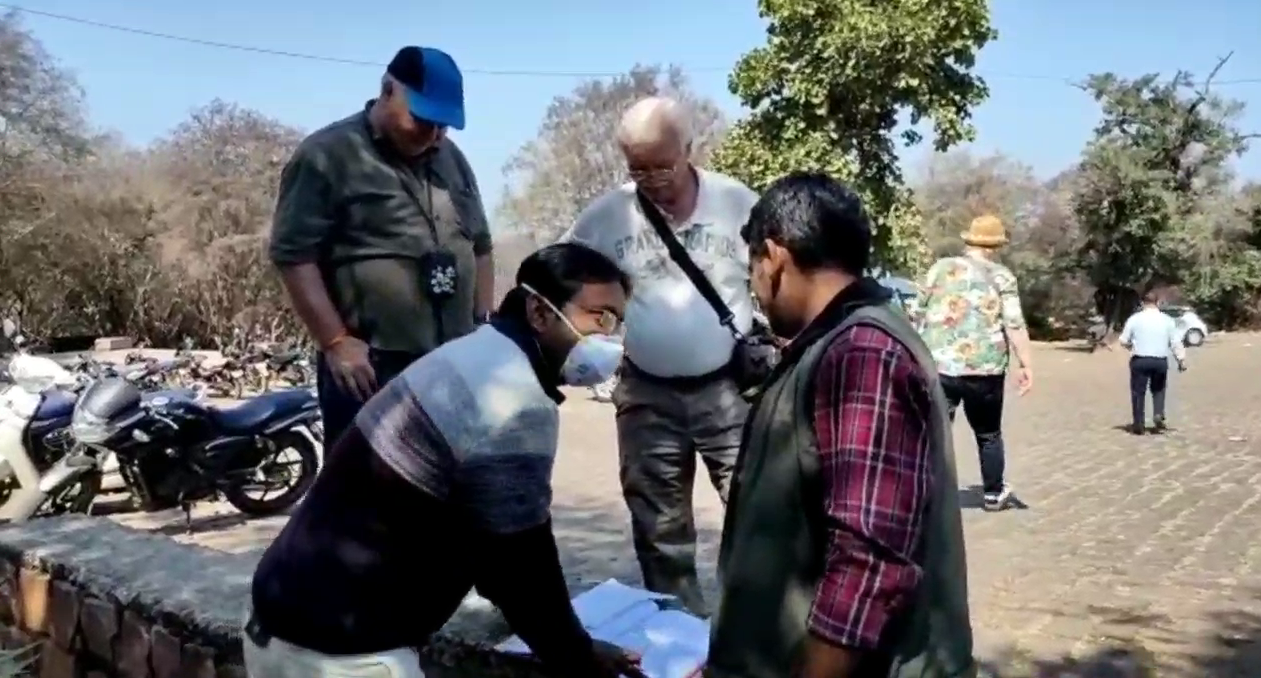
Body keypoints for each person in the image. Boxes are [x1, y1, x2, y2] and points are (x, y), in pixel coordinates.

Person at [245, 243, 645, 678]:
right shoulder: (513, 399)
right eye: (599, 317)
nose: (610, 339)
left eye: (617, 323)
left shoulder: (473, 353)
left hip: (277, 618)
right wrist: (581, 658)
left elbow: (491, 547)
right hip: (343, 654)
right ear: (541, 312)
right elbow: (521, 566)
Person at [706, 173, 975, 678]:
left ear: (774, 256)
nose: (757, 293)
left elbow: (869, 567)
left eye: (753, 272)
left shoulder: (862, 354)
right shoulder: (830, 345)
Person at [561, 96, 759, 616]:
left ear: (689, 150)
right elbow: (558, 274)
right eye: (637, 167)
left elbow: (778, 274)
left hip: (729, 390)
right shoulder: (607, 216)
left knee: (756, 511)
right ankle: (681, 638)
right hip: (646, 391)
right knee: (658, 526)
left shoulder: (737, 204)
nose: (651, 178)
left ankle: (750, 628)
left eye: (662, 165)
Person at [269, 46, 495, 444]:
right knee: (369, 496)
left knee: (452, 490)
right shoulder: (325, 155)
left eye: (445, 126)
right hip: (372, 368)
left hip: (453, 363)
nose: (435, 136)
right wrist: (336, 342)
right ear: (389, 90)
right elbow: (294, 255)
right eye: (424, 121)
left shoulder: (451, 157)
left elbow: (480, 244)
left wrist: (482, 328)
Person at [912, 215, 1033, 512]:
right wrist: (1026, 363)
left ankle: (924, 492)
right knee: (988, 432)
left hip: (940, 365)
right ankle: (993, 493)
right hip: (986, 369)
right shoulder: (1002, 276)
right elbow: (1014, 323)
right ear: (994, 246)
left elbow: (916, 312)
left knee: (936, 429)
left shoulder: (940, 269)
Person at [1119, 288, 1187, 434]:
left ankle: (1139, 423)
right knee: (1159, 389)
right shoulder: (1167, 320)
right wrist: (1181, 360)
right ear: (1157, 302)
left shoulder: (1135, 319)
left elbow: (1123, 340)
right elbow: (1175, 342)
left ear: (1143, 303)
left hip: (1140, 359)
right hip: (1160, 360)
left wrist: (1131, 346)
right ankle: (1158, 412)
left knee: (1138, 392)